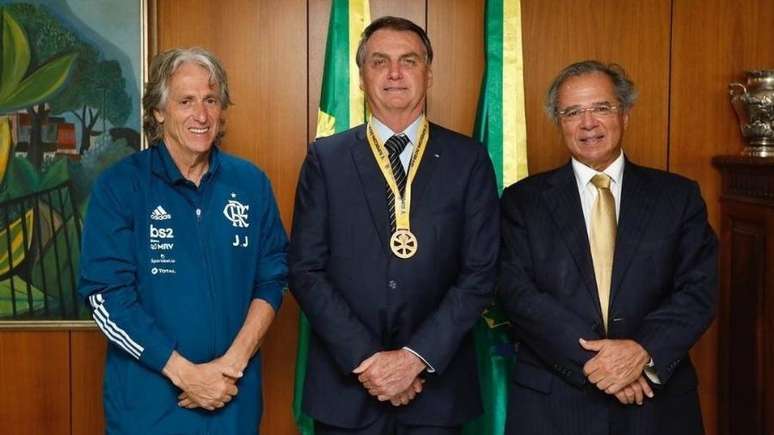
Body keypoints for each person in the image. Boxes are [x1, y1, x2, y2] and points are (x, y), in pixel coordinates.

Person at [289, 16, 499, 435]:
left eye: (410, 60)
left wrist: (413, 358)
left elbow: (480, 273)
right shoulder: (325, 160)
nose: (395, 73)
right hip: (346, 389)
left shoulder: (468, 160)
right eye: (379, 62)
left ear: (429, 73)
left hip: (437, 391)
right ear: (362, 77)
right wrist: (370, 362)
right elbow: (305, 270)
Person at [499, 60, 717, 435]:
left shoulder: (677, 197)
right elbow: (515, 293)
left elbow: (698, 291)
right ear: (559, 122)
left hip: (655, 401)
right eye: (572, 112)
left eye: (601, 108)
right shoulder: (521, 201)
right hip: (552, 404)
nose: (588, 123)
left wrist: (641, 352)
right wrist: (602, 364)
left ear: (625, 114)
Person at [78, 47, 287, 434]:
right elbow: (106, 297)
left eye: (211, 100)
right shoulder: (120, 187)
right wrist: (187, 374)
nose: (201, 115)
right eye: (186, 101)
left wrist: (232, 365)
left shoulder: (251, 183)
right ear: (159, 111)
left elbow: (272, 278)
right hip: (150, 408)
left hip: (233, 401)